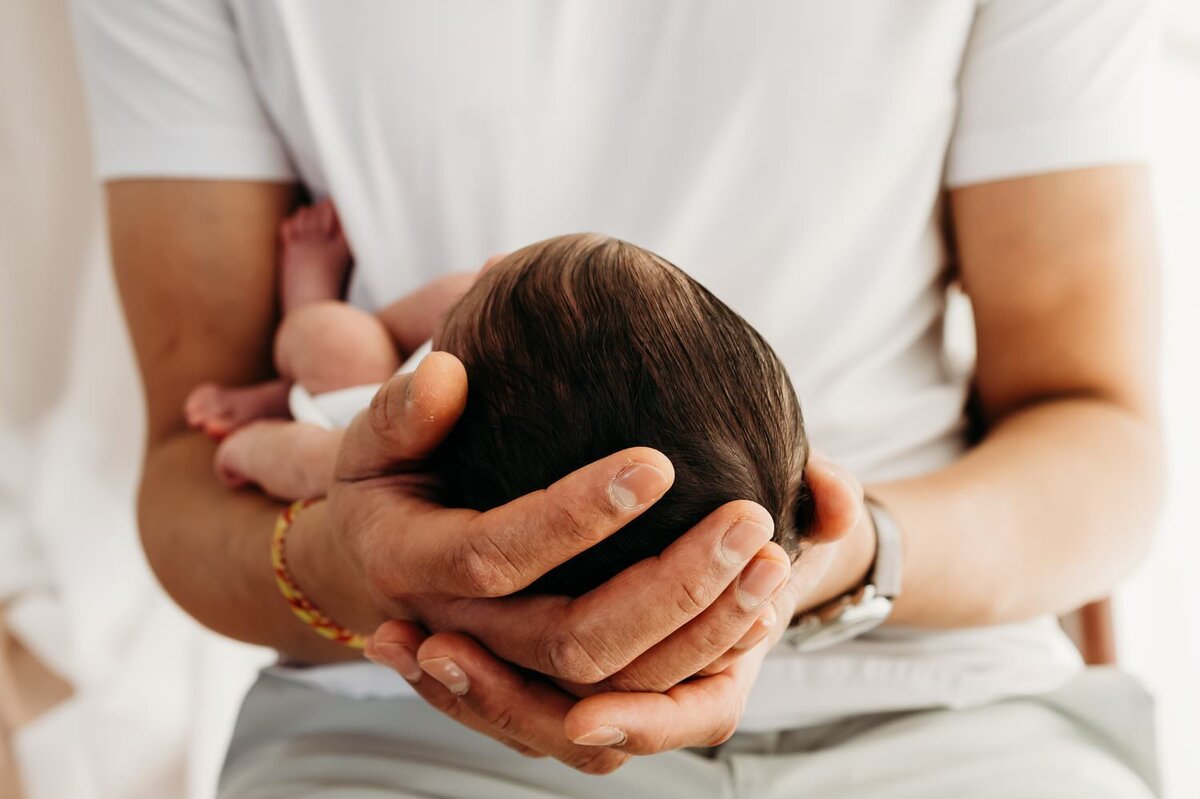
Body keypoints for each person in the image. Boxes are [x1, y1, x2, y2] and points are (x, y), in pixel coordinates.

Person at [72, 1, 1163, 796]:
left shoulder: (397, 361)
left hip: (945, 694)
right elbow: (187, 466)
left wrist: (850, 559)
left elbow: (1099, 430)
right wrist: (364, 567)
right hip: (407, 727)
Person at [187, 225, 813, 596]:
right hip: (462, 373)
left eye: (496, 277)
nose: (489, 267)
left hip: (362, 407)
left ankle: (289, 348)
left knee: (336, 340)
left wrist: (245, 449)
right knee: (461, 294)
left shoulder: (401, 464)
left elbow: (299, 461)